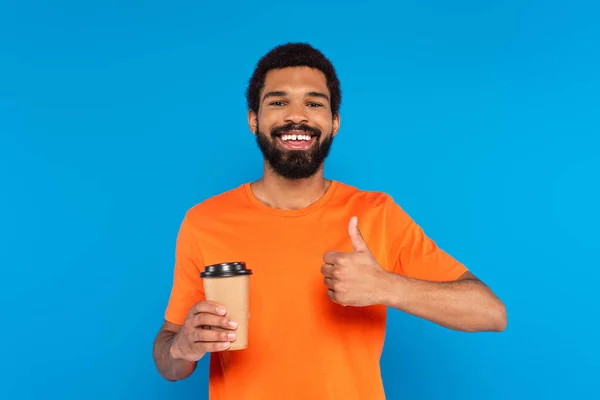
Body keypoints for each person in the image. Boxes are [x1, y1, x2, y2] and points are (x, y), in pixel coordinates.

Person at [152, 42, 507, 399]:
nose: (296, 116)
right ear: (253, 120)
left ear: (334, 122)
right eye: (278, 102)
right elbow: (170, 365)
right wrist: (182, 346)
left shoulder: (375, 213)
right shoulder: (205, 221)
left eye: (314, 103)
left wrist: (386, 287)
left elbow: (491, 312)